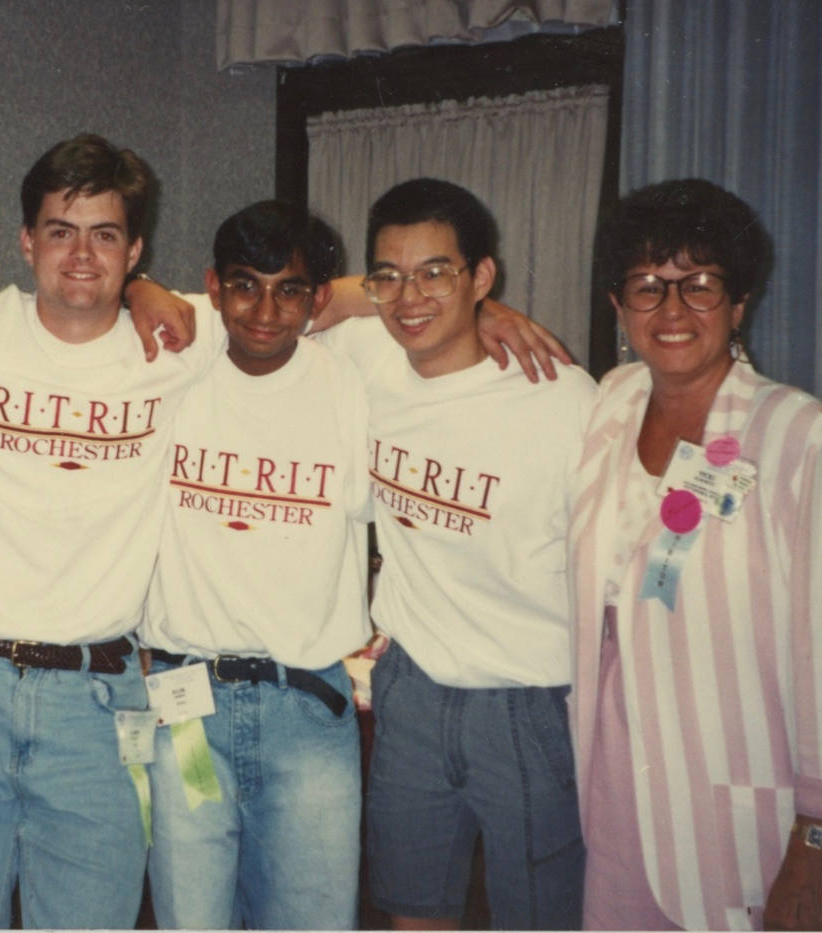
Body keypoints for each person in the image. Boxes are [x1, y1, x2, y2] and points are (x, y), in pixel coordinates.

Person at [0, 137, 570, 928]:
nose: (81, 255)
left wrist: (474, 307)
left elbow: (338, 295)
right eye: (61, 230)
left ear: (136, 252)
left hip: (109, 700)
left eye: (107, 235)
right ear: (26, 240)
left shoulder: (197, 338)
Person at [569, 179, 822, 931]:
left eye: (700, 284)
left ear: (739, 302)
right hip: (618, 776)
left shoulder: (799, 436)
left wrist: (817, 840)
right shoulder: (612, 402)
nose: (672, 309)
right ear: (617, 304)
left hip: (746, 792)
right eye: (647, 285)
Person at [318, 178, 596, 930]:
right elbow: (291, 304)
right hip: (411, 688)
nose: (410, 298)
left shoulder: (561, 398)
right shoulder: (368, 356)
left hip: (528, 698)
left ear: (483, 274)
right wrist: (435, 293)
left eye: (437, 272)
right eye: (390, 275)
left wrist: (468, 302)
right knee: (413, 911)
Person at [141, 200, 370, 929]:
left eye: (289, 290)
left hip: (307, 710)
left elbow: (421, 314)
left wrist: (487, 316)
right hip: (184, 709)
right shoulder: (170, 369)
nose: (265, 311)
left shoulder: (354, 384)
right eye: (245, 285)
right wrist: (137, 286)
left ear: (317, 299)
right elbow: (94, 297)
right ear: (213, 286)